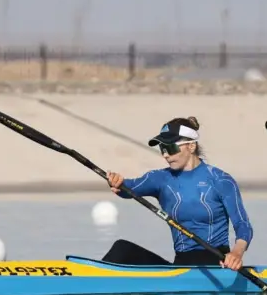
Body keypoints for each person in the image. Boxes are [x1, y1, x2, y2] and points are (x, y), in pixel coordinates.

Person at [101, 116, 254, 271]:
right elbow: (128, 189)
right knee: (122, 249)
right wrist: (116, 182)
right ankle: (85, 280)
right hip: (181, 265)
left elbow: (243, 226)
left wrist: (236, 253)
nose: (166, 155)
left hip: (217, 265)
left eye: (170, 148)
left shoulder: (220, 180)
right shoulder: (160, 179)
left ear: (191, 146)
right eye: (162, 149)